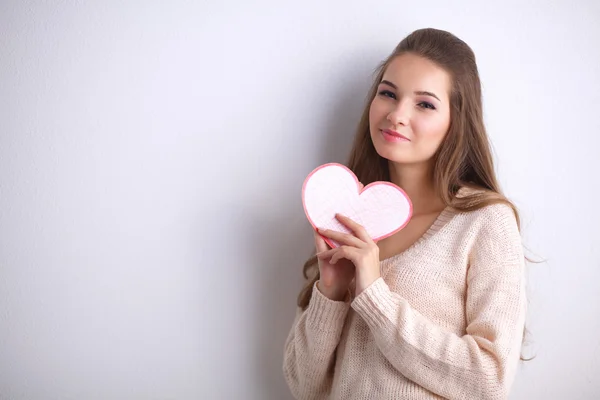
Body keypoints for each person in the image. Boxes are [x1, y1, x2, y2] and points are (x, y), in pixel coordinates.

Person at [282, 28, 528, 400]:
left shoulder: (484, 221)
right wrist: (330, 293)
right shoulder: (348, 220)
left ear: (455, 121)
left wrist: (373, 296)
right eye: (388, 93)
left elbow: (488, 381)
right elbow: (303, 386)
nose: (397, 114)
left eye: (425, 104)